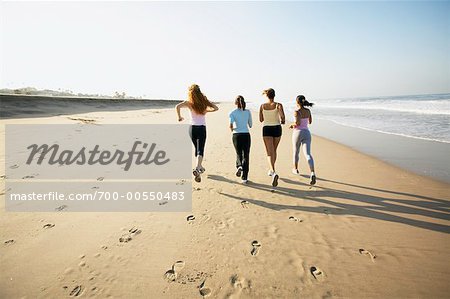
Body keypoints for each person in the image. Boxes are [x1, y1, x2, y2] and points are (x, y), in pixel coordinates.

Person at [176, 84, 219, 182]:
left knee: (197, 149)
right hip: (201, 128)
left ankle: (200, 168)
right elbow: (216, 108)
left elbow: (177, 106)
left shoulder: (189, 103)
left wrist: (179, 117)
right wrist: (207, 110)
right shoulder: (204, 101)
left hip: (192, 129)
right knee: (200, 150)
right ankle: (197, 168)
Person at [259, 88, 285, 187]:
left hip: (267, 129)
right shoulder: (278, 105)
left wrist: (266, 115)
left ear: (267, 95)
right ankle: (271, 169)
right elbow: (282, 118)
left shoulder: (262, 106)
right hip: (277, 128)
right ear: (274, 95)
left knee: (269, 152)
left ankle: (273, 171)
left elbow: (261, 120)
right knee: (274, 150)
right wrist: (282, 120)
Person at [289, 95, 316, 185]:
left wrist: (291, 125)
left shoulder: (297, 112)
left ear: (297, 102)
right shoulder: (308, 111)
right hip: (307, 133)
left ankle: (295, 169)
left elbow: (297, 123)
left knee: (296, 152)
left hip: (298, 133)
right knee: (308, 154)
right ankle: (312, 172)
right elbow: (310, 122)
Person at [229, 95, 252, 184]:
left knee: (238, 153)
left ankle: (239, 166)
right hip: (246, 135)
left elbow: (230, 125)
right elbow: (250, 125)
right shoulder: (248, 112)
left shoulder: (232, 113)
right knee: (246, 155)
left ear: (235, 103)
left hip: (236, 135)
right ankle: (244, 178)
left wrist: (233, 129)